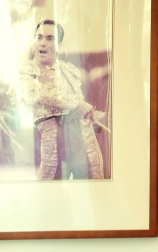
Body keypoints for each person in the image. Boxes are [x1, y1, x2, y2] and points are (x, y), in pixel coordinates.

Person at [18, 19, 106, 180]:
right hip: (53, 143)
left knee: (90, 187)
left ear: (60, 45)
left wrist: (95, 115)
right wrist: (77, 104)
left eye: (49, 38)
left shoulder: (69, 70)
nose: (42, 43)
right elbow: (36, 95)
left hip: (79, 141)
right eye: (39, 37)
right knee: (51, 193)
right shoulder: (27, 70)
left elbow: (80, 104)